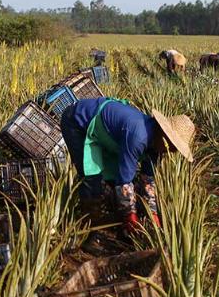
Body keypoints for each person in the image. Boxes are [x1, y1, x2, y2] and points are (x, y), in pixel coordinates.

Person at [60, 97, 195, 234]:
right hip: (77, 122)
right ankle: (91, 233)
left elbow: (147, 180)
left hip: (105, 132)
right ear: (165, 136)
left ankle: (109, 218)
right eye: (173, 146)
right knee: (91, 178)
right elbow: (124, 182)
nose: (171, 152)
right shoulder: (138, 136)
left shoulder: (156, 146)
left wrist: (153, 215)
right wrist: (131, 217)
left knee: (111, 180)